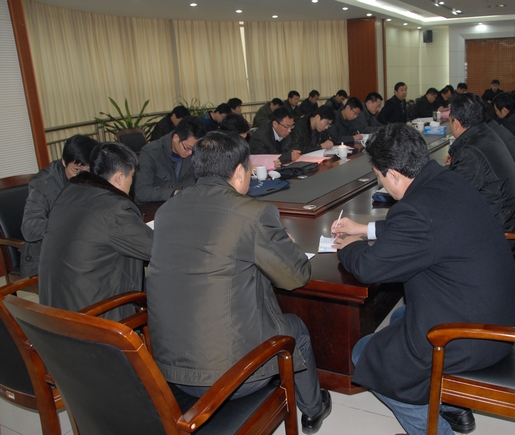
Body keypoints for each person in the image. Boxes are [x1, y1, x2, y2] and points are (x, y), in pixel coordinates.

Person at [331, 123, 515, 435]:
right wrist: (364, 229)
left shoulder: (415, 211)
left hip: (470, 337)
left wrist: (350, 246)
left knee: (364, 351)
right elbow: (428, 229)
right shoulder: (447, 182)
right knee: (401, 317)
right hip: (497, 315)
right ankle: (453, 407)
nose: (381, 183)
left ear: (393, 175)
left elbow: (368, 267)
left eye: (379, 177)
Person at [146, 130, 331, 434]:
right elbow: (296, 276)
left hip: (170, 372)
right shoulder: (251, 214)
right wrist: (287, 243)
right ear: (239, 172)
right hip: (232, 378)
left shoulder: (166, 212)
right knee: (295, 328)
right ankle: (313, 410)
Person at [39, 142, 153, 321]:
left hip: (55, 311)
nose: (132, 183)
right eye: (131, 176)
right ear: (119, 178)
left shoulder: (69, 193)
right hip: (92, 317)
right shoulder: (115, 210)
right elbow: (155, 248)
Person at [447, 93, 515, 261]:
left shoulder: (470, 153)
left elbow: (451, 202)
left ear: (456, 123)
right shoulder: (487, 134)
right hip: (505, 230)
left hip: (497, 245)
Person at [20, 134, 99, 277]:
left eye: (87, 171)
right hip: (45, 256)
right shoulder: (42, 183)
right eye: (76, 170)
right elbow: (29, 228)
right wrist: (68, 222)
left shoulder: (92, 174)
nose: (82, 176)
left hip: (80, 249)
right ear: (64, 162)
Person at [135, 116, 206, 203]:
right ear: (176, 138)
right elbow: (142, 191)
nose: (190, 153)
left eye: (194, 149)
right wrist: (173, 193)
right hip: (156, 206)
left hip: (186, 205)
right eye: (187, 148)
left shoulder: (197, 152)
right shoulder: (151, 152)